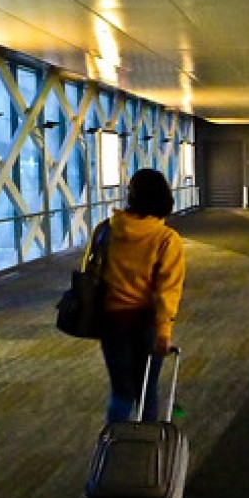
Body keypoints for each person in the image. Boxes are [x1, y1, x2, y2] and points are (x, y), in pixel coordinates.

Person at [81, 168, 186, 423]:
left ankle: (113, 447)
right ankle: (145, 453)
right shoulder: (166, 239)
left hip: (111, 322)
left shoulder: (106, 229)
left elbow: (89, 269)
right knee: (146, 391)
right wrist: (163, 331)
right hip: (146, 324)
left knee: (121, 391)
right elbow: (167, 289)